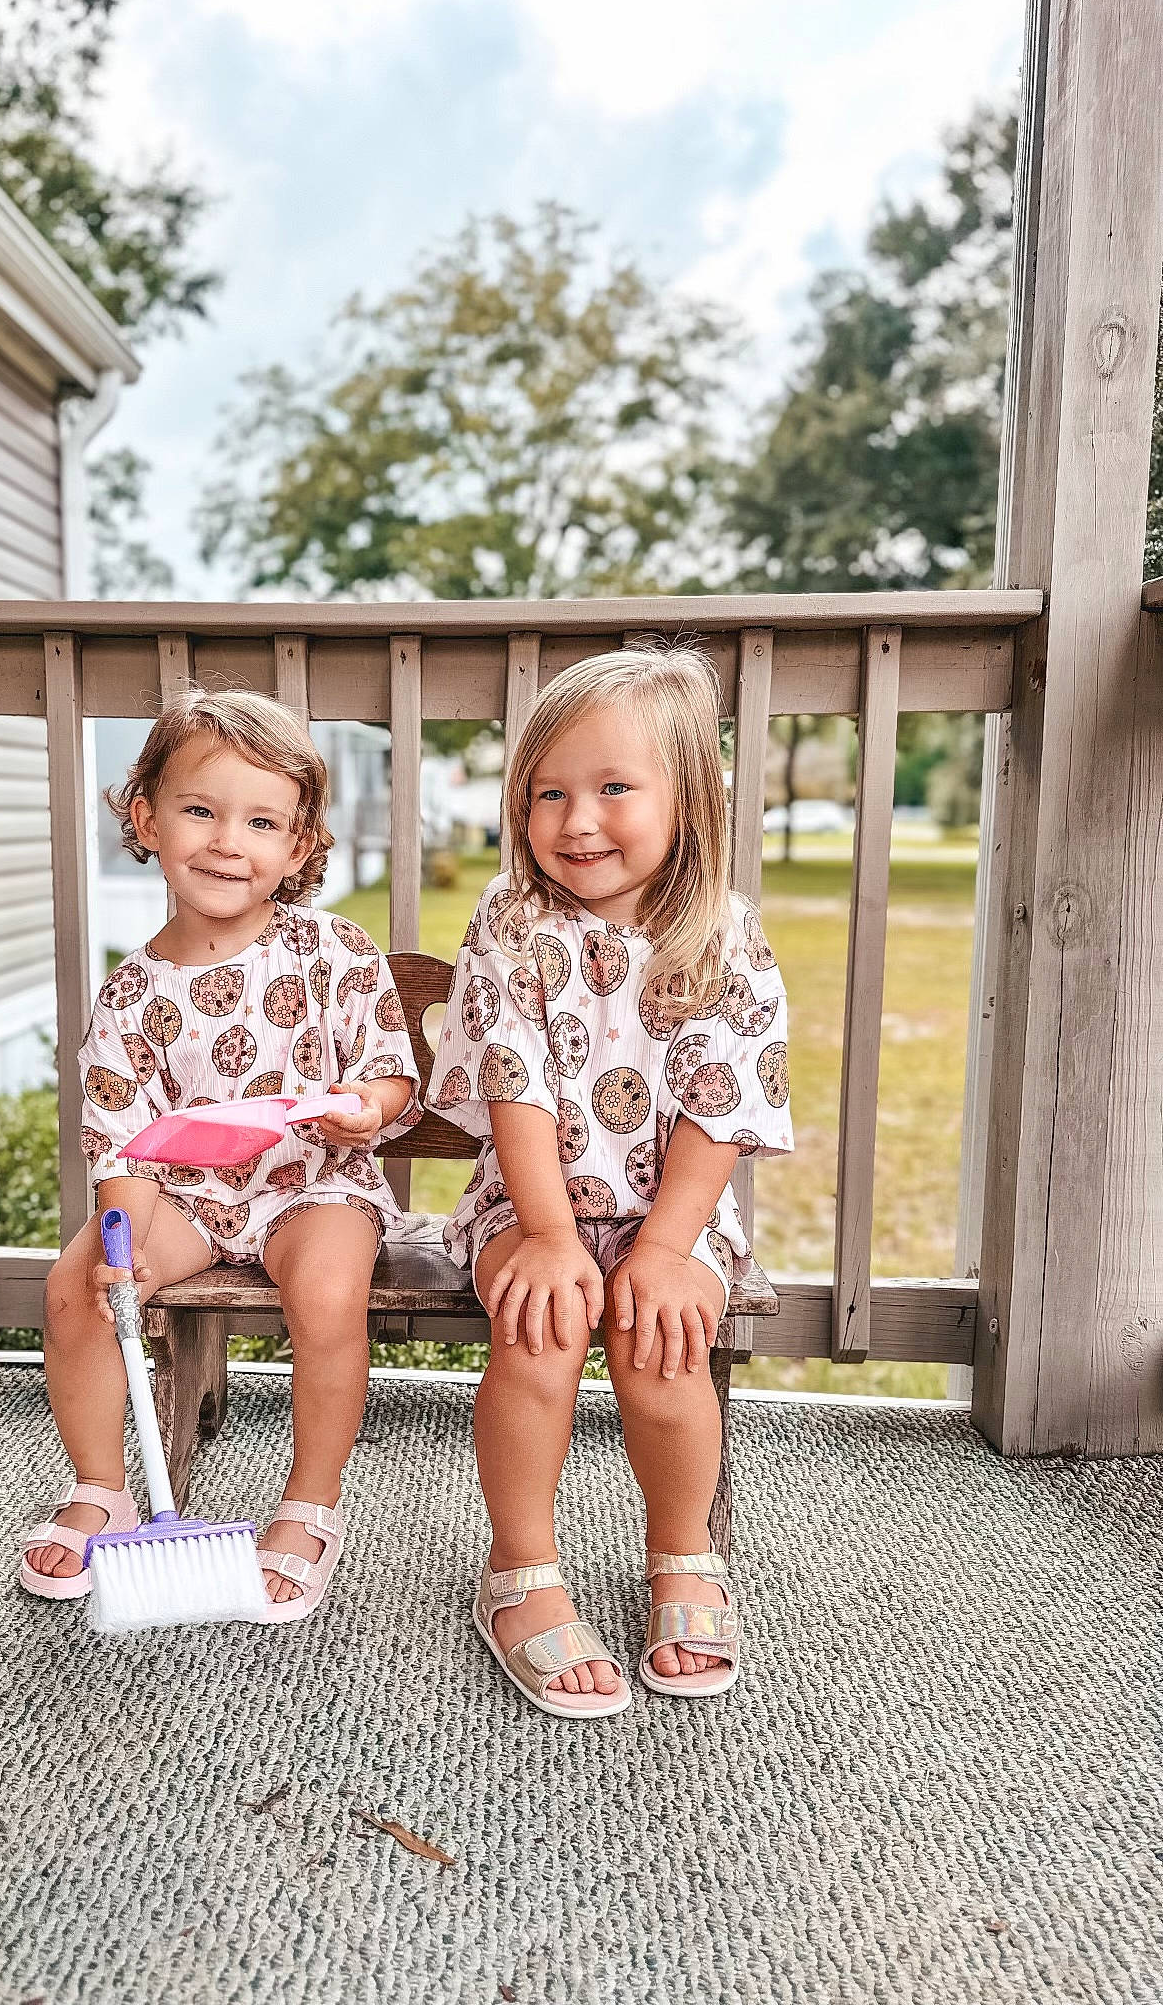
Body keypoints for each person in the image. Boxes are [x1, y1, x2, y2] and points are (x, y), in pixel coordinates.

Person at [425, 643, 792, 1715]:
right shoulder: (515, 924)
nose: (577, 821)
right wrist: (543, 1234)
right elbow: (514, 1085)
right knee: (538, 1338)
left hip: (672, 1213)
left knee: (661, 1348)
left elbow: (719, 1108)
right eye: (550, 793)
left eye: (614, 789)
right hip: (525, 1201)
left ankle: (684, 1556)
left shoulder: (721, 935)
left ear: (691, 798)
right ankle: (522, 1571)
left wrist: (669, 1250)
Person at [19, 689, 420, 1619]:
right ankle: (100, 1489)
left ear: (301, 844)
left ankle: (309, 1505)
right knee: (79, 1283)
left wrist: (366, 1109)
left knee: (325, 1293)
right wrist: (122, 1248)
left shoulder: (336, 953)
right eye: (200, 810)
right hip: (188, 1199)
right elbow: (121, 1140)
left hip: (315, 1182)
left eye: (262, 821)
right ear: (146, 817)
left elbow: (391, 1075)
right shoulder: (130, 996)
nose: (228, 842)